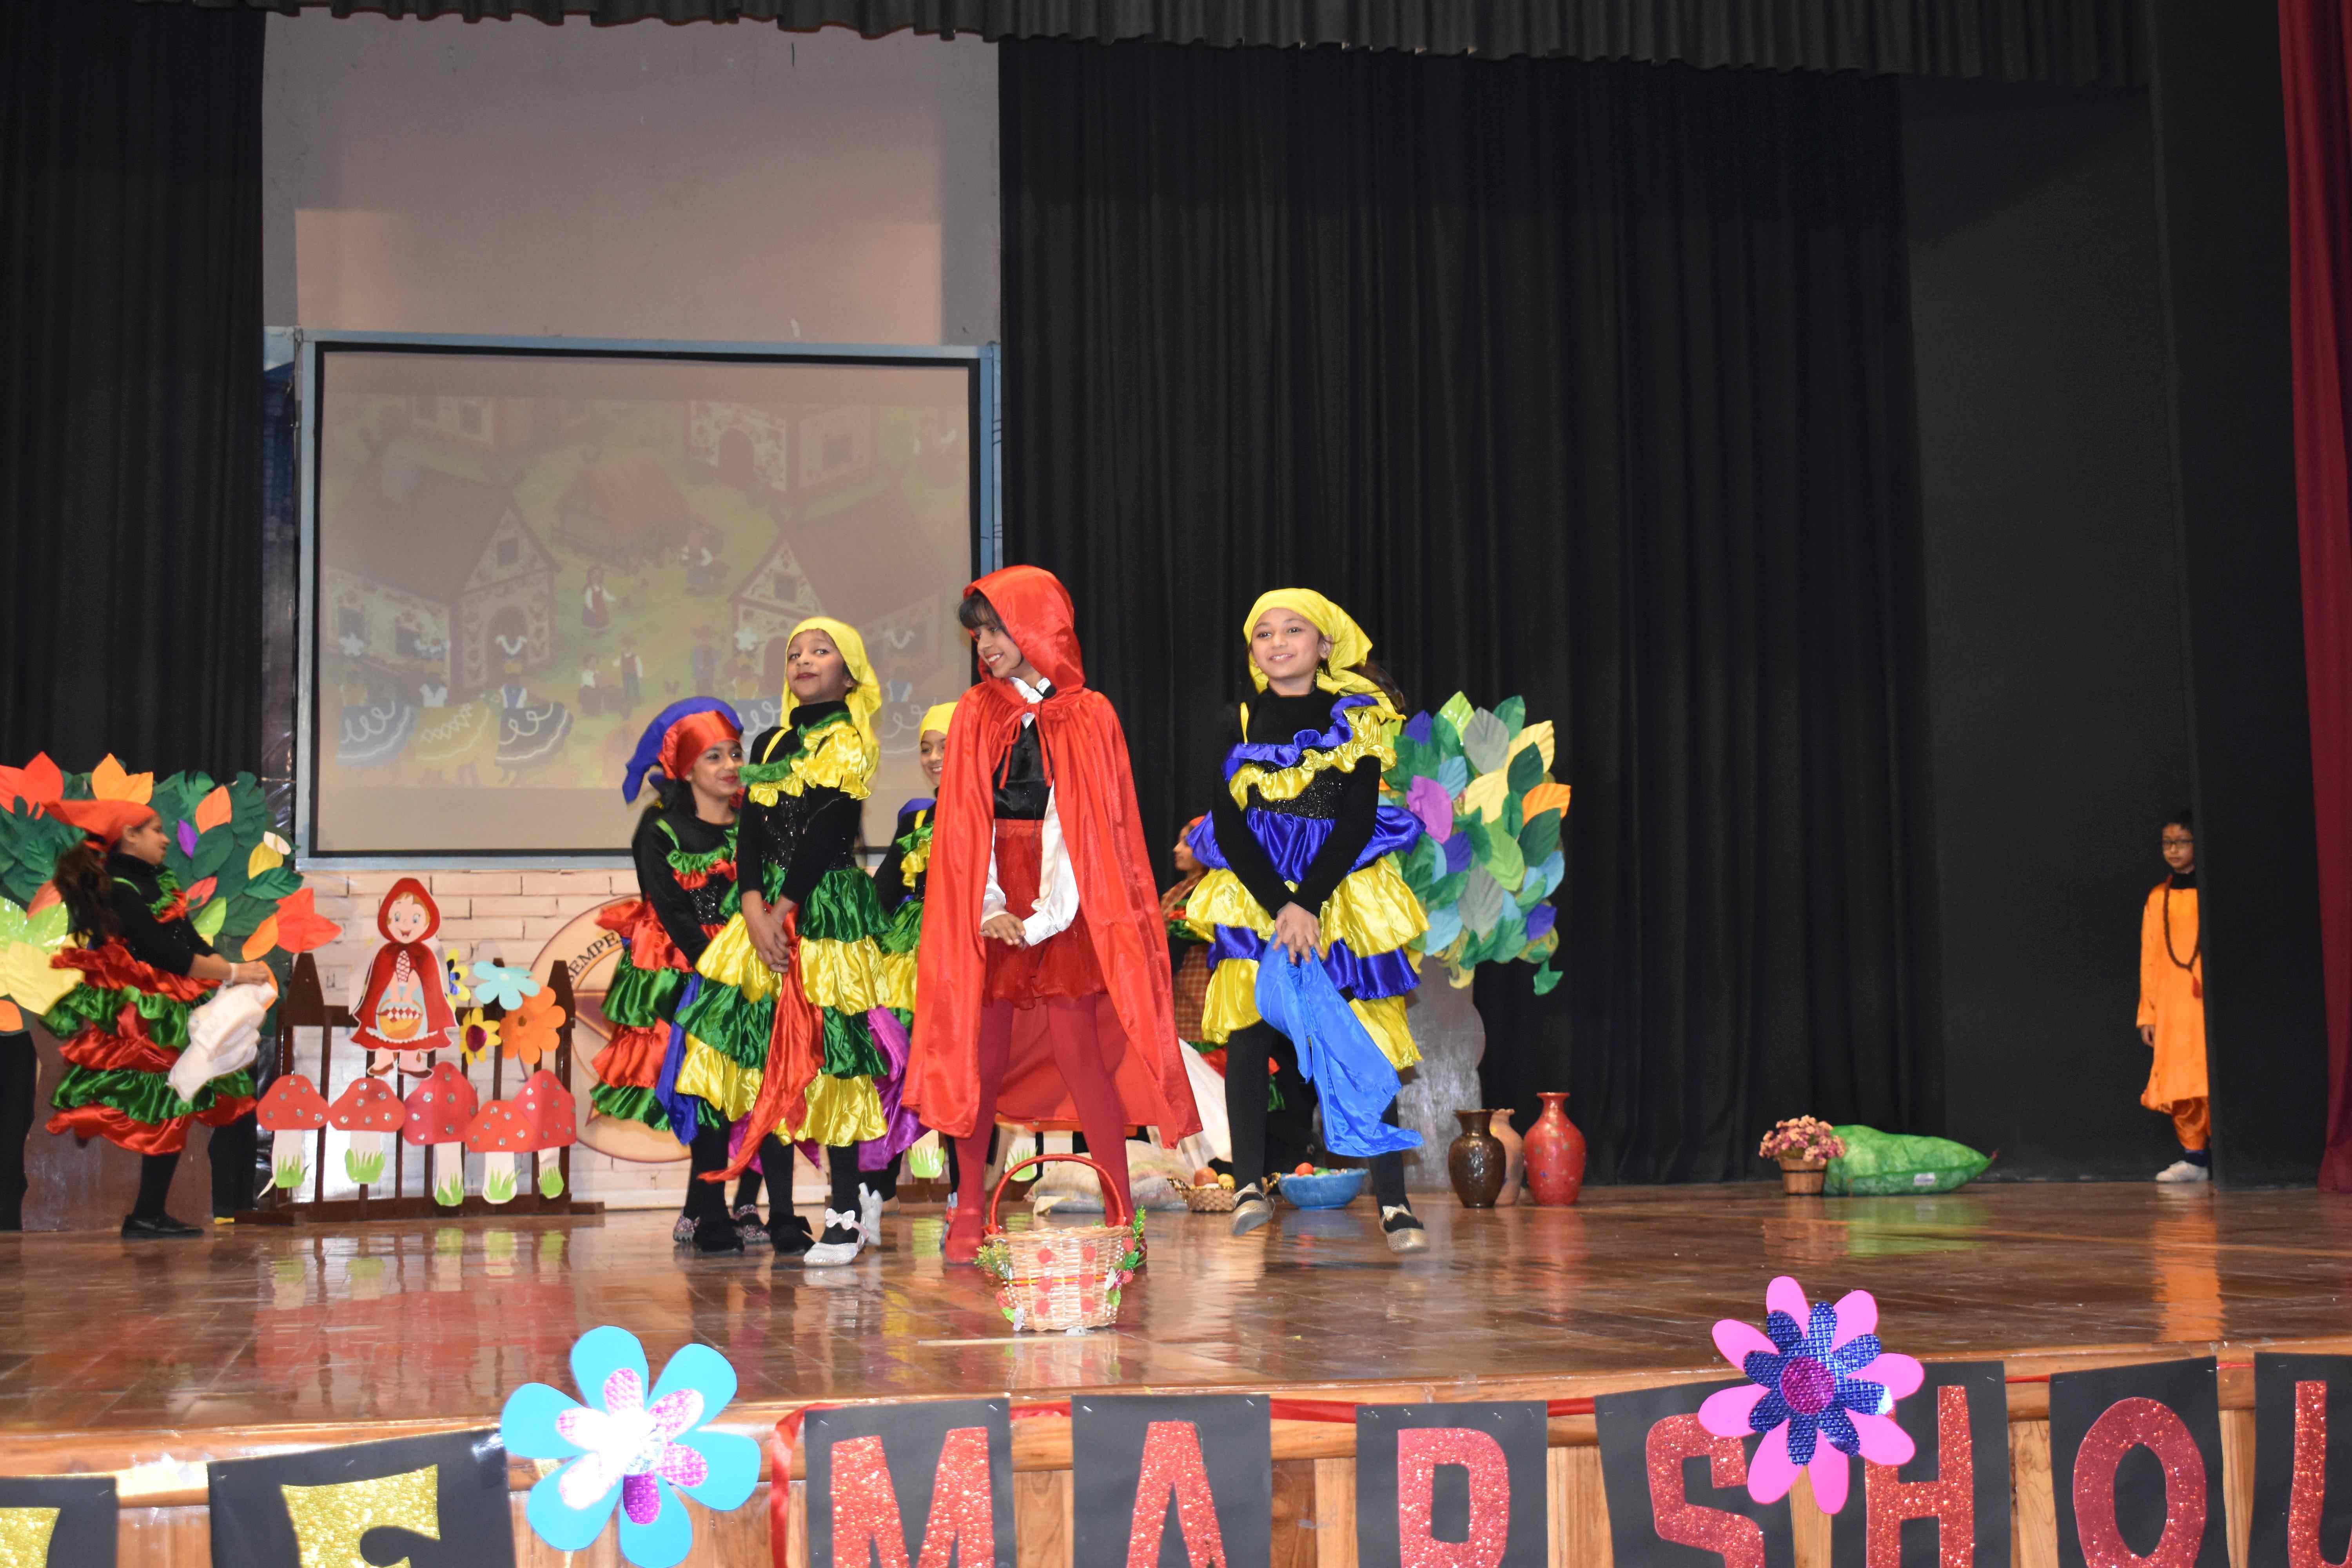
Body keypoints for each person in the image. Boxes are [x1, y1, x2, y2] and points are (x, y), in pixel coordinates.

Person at [904, 565, 1200, 1265]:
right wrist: (990, 908)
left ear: (1040, 627)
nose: (986, 645)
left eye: (998, 629)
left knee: (1080, 1052)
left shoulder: (1089, 713)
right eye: (978, 634)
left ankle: (1121, 1214)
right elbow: (965, 823)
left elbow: (1092, 830)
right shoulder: (975, 712)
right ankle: (968, 1209)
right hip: (992, 898)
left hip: (1069, 898)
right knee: (980, 1056)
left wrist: (1043, 918)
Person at [1182, 591, 1432, 1254]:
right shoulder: (1237, 720)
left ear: (1325, 645)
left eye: (1294, 630)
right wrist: (1279, 905)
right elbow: (1228, 826)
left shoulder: (1356, 718)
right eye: (1263, 633)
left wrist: (1309, 902)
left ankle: (1395, 1201)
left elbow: (1357, 819)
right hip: (1259, 893)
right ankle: (1247, 1184)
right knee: (1250, 1029)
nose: (1278, 642)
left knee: (1364, 1036)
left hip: (1339, 890)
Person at [678, 618, 917, 1266]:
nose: (804, 660)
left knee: (833, 1052)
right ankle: (768, 1210)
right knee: (759, 1052)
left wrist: (784, 909)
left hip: (823, 909)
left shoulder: (849, 741)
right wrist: (752, 906)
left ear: (851, 673)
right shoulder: (772, 741)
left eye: (821, 650)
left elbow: (826, 833)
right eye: (794, 653)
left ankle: (844, 1214)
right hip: (763, 912)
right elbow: (752, 830)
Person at [590, 701, 790, 1252]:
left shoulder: (755, 821)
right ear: (684, 768)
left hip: (754, 965)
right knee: (706, 1092)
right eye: (714, 757)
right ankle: (708, 1212)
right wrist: (718, 968)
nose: (730, 766)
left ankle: (745, 1204)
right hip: (692, 969)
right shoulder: (660, 829)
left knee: (761, 1083)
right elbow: (671, 910)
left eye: (735, 754)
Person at [40, 799, 270, 1237]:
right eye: (157, 830)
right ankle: (146, 1213)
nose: (166, 839)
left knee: (177, 1099)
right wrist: (234, 972)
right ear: (130, 834)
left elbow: (189, 939)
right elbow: (160, 951)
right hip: (146, 1013)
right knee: (171, 1098)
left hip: (172, 1002)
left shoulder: (157, 880)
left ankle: (148, 1213)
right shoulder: (120, 888)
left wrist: (230, 973)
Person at [862, 700, 959, 1204]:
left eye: (946, 745)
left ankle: (964, 1196)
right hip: (906, 958)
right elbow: (883, 891)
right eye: (926, 748)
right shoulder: (915, 817)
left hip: (961, 949)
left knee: (960, 1073)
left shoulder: (993, 810)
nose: (934, 757)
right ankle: (874, 1193)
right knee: (893, 1066)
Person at [2139, 808, 2209, 1183]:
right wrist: (2147, 1015)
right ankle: (2194, 1158)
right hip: (2172, 1005)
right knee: (2180, 1081)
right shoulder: (2158, 897)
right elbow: (2149, 959)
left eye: (2182, 842)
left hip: (2205, 1004)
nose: (2174, 850)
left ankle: (2223, 1156)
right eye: (2167, 843)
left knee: (2208, 1078)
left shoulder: (2212, 891)